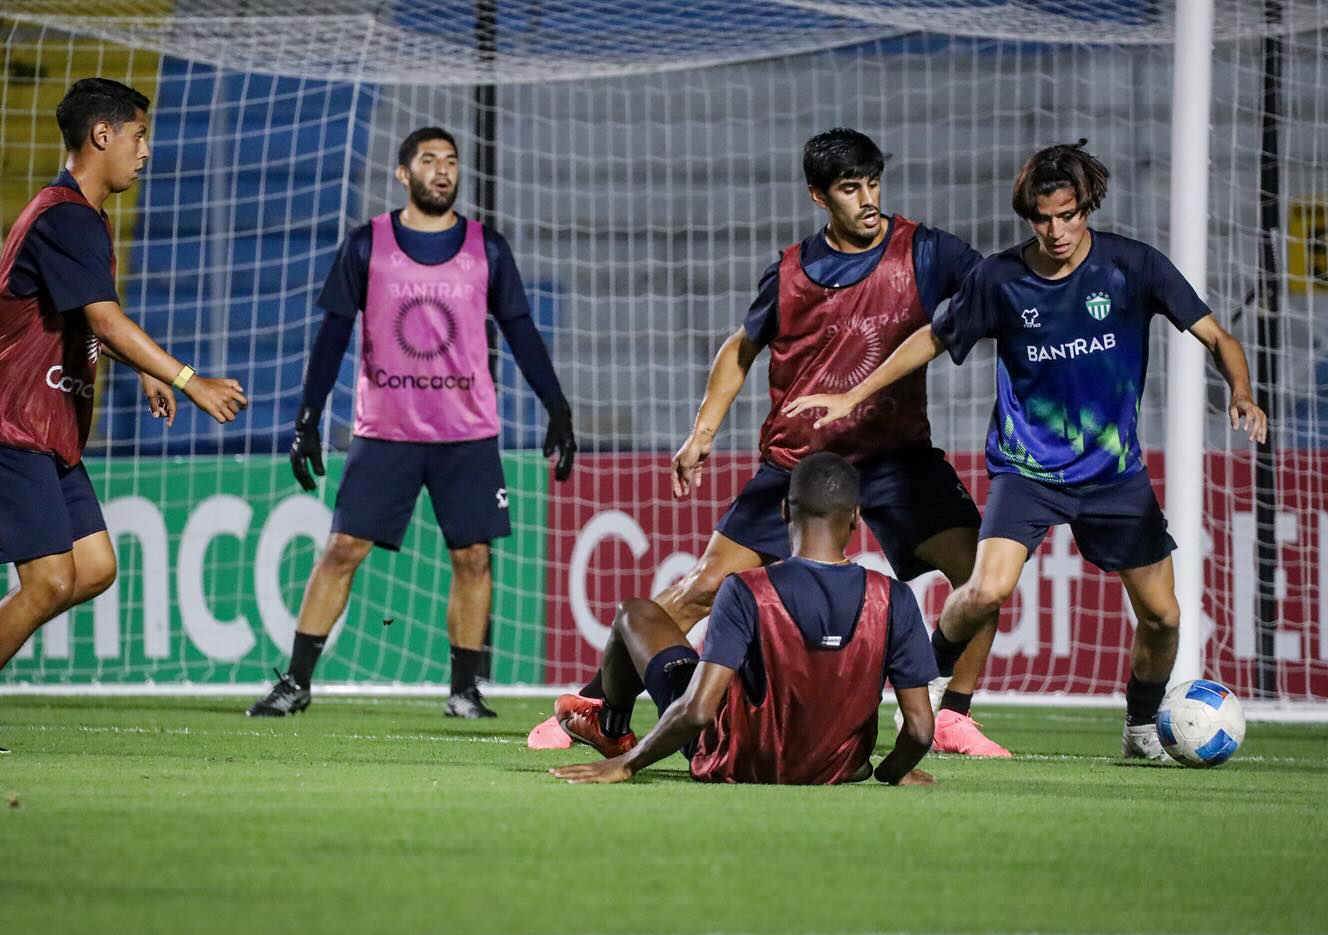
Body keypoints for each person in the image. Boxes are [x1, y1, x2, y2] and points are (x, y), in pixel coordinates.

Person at [784, 140, 1269, 761]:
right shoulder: (1001, 279)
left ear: (1085, 207)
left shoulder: (1133, 266)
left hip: (1113, 476)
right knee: (985, 590)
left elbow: (1217, 335)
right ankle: (925, 683)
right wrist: (851, 395)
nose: (1056, 230)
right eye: (1043, 218)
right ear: (1028, 216)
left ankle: (1142, 726)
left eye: (1068, 215)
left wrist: (1243, 391)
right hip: (1026, 470)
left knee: (1165, 618)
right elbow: (928, 339)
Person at [533, 127, 1009, 757]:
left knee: (981, 575)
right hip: (799, 465)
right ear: (819, 197)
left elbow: (1002, 293)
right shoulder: (789, 273)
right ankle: (598, 705)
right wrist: (702, 432)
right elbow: (741, 348)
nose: (867, 199)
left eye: (873, 183)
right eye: (849, 188)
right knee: (704, 586)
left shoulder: (927, 253)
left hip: (896, 457)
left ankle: (951, 715)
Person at [0, 77, 248, 753]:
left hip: (47, 430)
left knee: (94, 566)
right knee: (49, 579)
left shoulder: (81, 217)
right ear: (103, 135)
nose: (145, 151)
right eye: (139, 135)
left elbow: (86, 320)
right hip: (7, 425)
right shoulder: (65, 215)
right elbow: (103, 315)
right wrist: (185, 379)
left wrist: (146, 372)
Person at [246, 127, 575, 720]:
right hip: (385, 432)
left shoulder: (487, 248)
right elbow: (332, 336)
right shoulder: (367, 244)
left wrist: (558, 408)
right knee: (343, 548)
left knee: (474, 557)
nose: (442, 171)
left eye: (450, 162)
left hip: (467, 433)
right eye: (429, 161)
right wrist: (308, 417)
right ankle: (295, 682)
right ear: (404, 174)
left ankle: (464, 690)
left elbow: (522, 332)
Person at [550, 453, 937, 786]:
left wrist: (627, 764)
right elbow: (919, 730)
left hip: (737, 760)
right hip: (836, 770)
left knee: (634, 613)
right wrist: (890, 771)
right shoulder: (895, 599)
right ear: (855, 517)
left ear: (785, 510)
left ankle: (612, 731)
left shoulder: (749, 589)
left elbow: (698, 710)